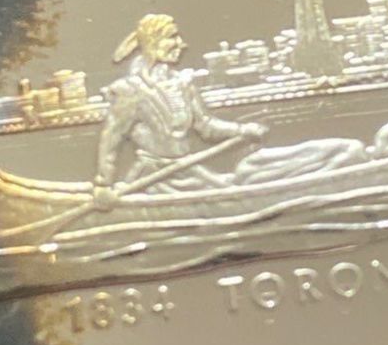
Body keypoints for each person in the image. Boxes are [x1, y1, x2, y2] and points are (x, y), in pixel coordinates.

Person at [93, 14, 265, 204]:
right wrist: (103, 184)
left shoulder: (182, 83)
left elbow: (206, 126)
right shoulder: (130, 91)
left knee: (233, 193)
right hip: (152, 180)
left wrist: (242, 130)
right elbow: (112, 139)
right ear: (152, 41)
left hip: (185, 170)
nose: (181, 44)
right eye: (172, 37)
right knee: (230, 201)